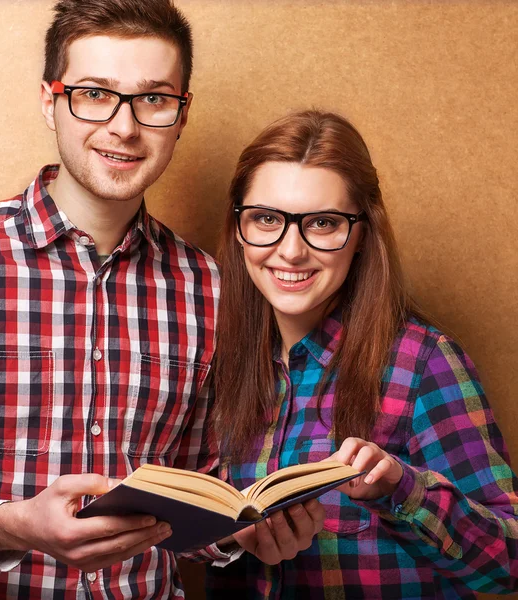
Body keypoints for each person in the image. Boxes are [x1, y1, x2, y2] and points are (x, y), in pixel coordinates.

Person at [0, 1, 323, 598]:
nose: (125, 127)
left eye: (154, 99)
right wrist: (13, 526)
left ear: (182, 115)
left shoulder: (209, 287)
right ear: (49, 100)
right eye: (94, 93)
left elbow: (195, 494)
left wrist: (245, 533)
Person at [207, 109, 518, 598]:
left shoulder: (423, 362)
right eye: (267, 219)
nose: (290, 251)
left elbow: (509, 564)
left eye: (323, 223)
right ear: (238, 227)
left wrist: (401, 489)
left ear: (361, 236)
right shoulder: (218, 364)